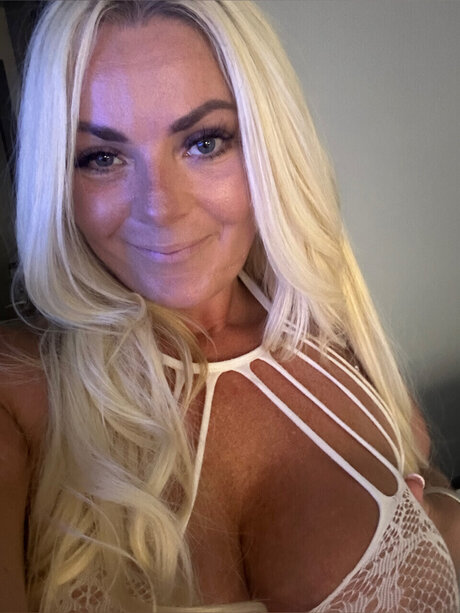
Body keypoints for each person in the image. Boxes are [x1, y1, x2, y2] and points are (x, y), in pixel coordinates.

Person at [0, 0, 459, 611]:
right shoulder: (18, 393)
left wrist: (439, 520)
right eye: (102, 158)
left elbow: (427, 481)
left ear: (270, 148)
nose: (161, 209)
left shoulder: (338, 341)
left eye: (204, 142)